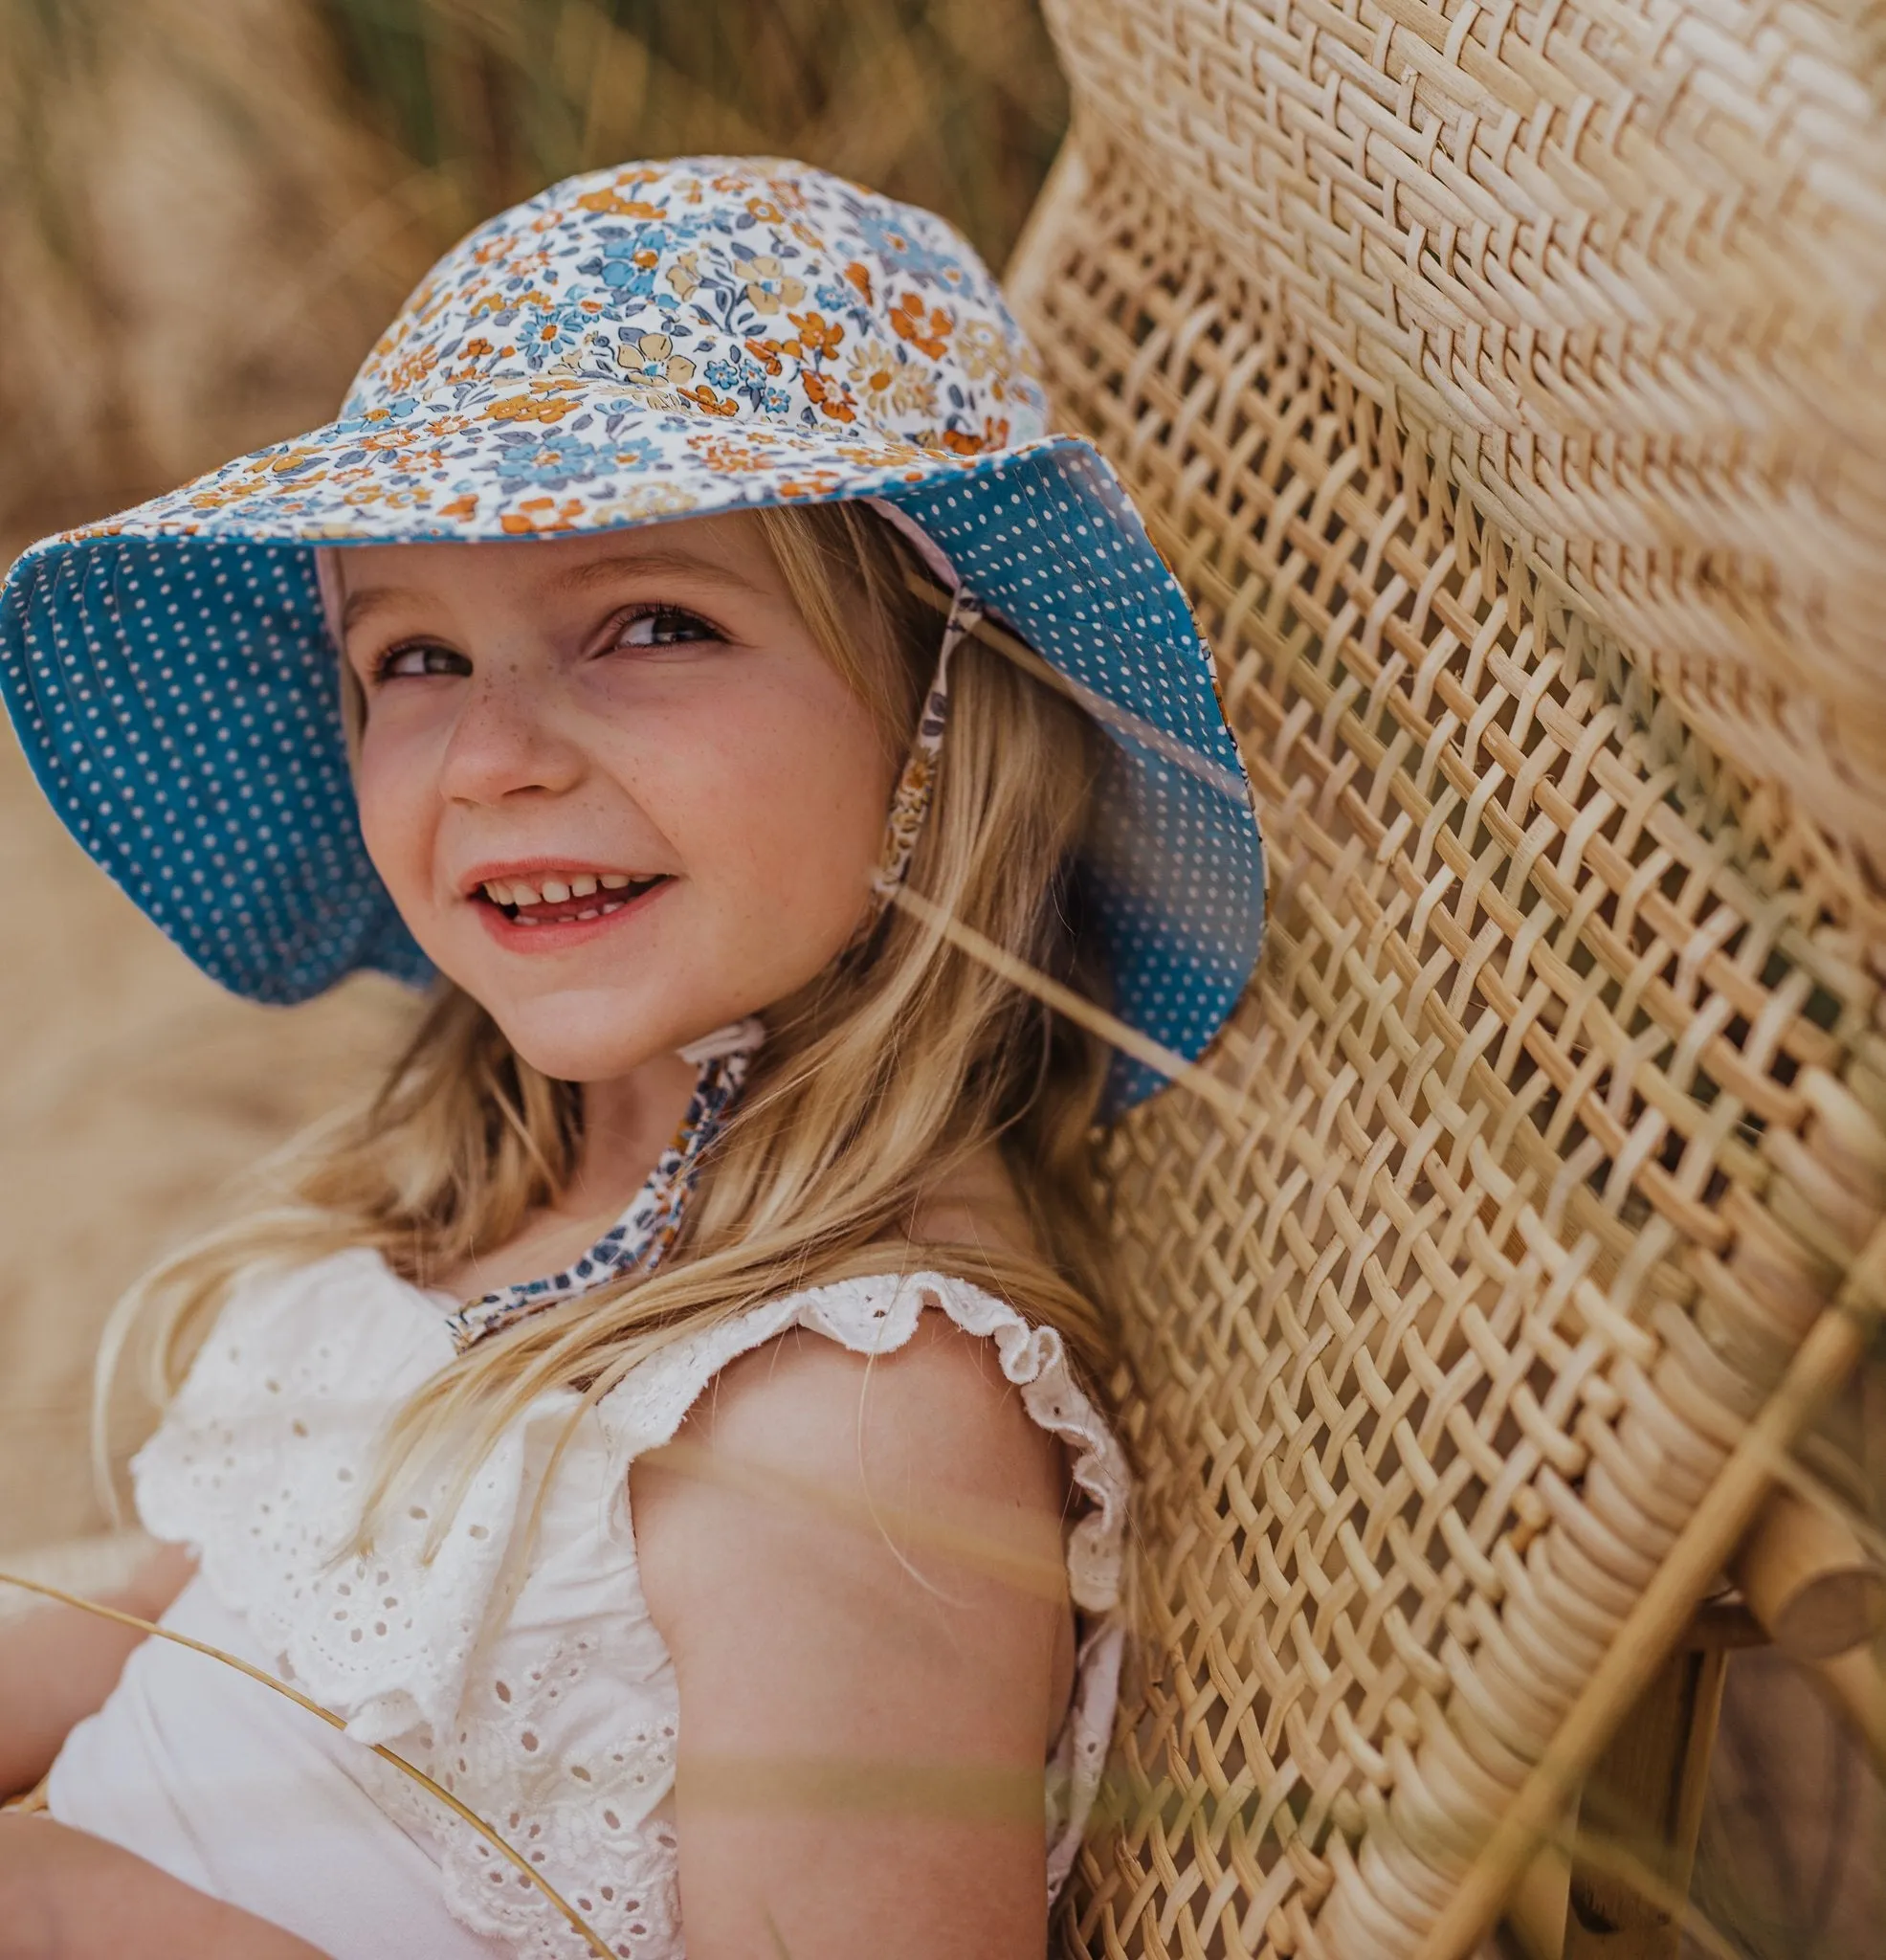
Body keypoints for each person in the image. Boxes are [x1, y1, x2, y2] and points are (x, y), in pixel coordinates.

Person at [0, 157, 1265, 1960]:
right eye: (415, 655)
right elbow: (217, 1610)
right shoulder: (508, 1189)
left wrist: (66, 1915)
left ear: (939, 713)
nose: (493, 755)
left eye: (654, 625)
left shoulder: (846, 1434)